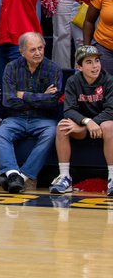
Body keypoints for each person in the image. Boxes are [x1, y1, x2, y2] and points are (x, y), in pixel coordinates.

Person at [0, 32, 62, 194]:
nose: (38, 53)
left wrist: (23, 94)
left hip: (43, 119)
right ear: (22, 51)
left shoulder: (54, 69)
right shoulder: (11, 68)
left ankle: (23, 176)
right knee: (1, 134)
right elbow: (8, 101)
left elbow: (52, 101)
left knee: (52, 132)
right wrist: (41, 97)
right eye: (33, 50)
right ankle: (12, 173)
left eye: (40, 48)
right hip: (16, 117)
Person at [51, 44, 113, 195]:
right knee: (62, 126)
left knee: (109, 125)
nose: (95, 66)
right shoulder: (73, 81)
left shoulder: (108, 80)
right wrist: (86, 122)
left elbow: (111, 110)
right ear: (79, 67)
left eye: (97, 61)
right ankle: (65, 177)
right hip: (84, 126)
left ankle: (112, 177)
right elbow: (68, 109)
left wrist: (90, 124)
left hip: (101, 127)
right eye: (89, 62)